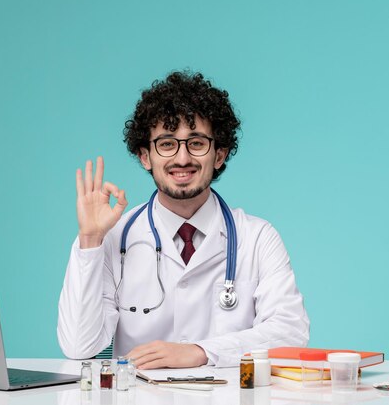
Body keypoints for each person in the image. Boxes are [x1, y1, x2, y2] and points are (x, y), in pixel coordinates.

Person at [58, 71, 309, 369]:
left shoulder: (257, 237)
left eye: (197, 143)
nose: (182, 159)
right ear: (144, 156)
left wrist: (200, 351)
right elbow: (78, 346)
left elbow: (290, 333)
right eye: (166, 144)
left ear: (219, 155)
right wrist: (89, 241)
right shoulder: (115, 237)